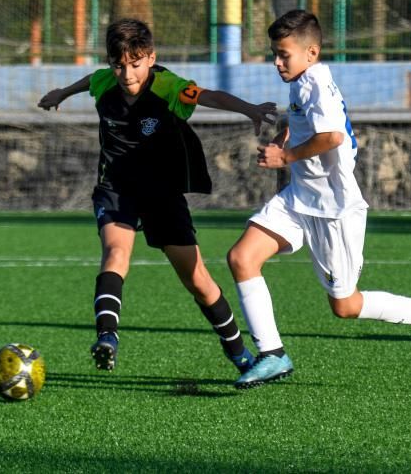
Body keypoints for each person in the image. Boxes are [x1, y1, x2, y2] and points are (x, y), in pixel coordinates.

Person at [226, 9, 411, 389]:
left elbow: (332, 136)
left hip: (334, 209)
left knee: (345, 306)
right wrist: (283, 139)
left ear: (311, 53)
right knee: (241, 258)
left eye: (284, 55)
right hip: (298, 199)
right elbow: (303, 123)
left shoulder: (314, 82)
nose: (277, 63)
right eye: (274, 55)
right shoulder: (302, 80)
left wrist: (285, 156)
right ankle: (272, 354)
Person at [38, 18, 277, 373]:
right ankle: (107, 337)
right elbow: (91, 79)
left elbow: (208, 95)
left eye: (134, 64)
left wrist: (250, 109)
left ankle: (239, 352)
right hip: (116, 188)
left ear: (150, 57)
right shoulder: (106, 81)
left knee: (197, 280)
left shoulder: (168, 86)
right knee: (116, 252)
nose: (127, 74)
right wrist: (62, 93)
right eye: (118, 65)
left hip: (161, 193)